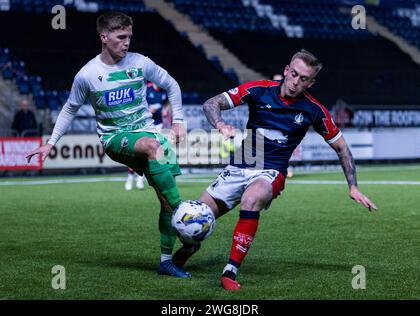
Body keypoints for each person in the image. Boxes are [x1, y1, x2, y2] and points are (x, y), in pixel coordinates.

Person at [172, 49, 378, 290]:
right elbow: (211, 104)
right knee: (196, 217)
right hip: (240, 164)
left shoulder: (314, 110)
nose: (296, 82)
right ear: (286, 71)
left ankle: (230, 271)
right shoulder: (259, 89)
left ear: (311, 82)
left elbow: (342, 149)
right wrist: (220, 124)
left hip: (271, 171)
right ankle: (189, 247)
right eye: (294, 74)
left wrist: (353, 186)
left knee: (251, 199)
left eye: (304, 79)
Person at [26, 11, 190, 278]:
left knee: (166, 203)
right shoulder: (88, 74)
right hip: (115, 139)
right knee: (153, 148)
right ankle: (188, 218)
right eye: (121, 37)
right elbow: (70, 109)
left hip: (149, 133)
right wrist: (51, 142)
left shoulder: (140, 63)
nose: (127, 42)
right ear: (104, 37)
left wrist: (179, 120)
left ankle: (166, 260)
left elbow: (172, 84)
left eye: (129, 37)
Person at [124, 82, 168, 191]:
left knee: (151, 152)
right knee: (136, 152)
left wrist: (165, 109)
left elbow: (166, 103)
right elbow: (135, 103)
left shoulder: (163, 92)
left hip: (157, 124)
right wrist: (147, 109)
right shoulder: (146, 88)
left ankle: (140, 178)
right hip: (142, 124)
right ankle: (130, 177)